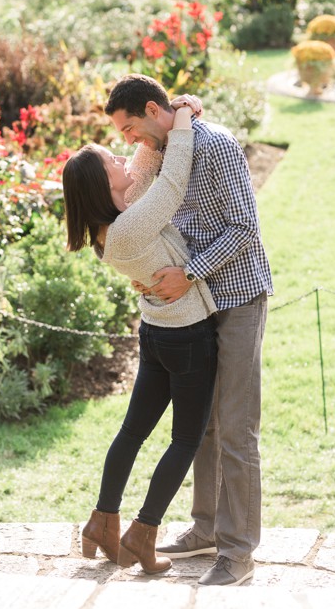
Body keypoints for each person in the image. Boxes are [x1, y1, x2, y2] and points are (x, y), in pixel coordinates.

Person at [104, 74, 273, 587]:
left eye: (131, 128)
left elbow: (245, 228)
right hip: (190, 306)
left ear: (155, 111)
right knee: (200, 425)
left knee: (237, 428)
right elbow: (131, 194)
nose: (129, 141)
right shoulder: (161, 151)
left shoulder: (216, 145)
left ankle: (238, 553)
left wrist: (190, 271)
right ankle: (205, 529)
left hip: (237, 296)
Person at [63, 101, 218, 575]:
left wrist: (154, 135)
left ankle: (102, 522)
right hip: (186, 336)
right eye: (113, 161)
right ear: (101, 184)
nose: (122, 158)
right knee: (186, 439)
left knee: (133, 432)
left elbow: (146, 169)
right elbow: (169, 184)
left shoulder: (112, 226)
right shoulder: (130, 226)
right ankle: (142, 532)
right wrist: (186, 119)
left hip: (156, 335)